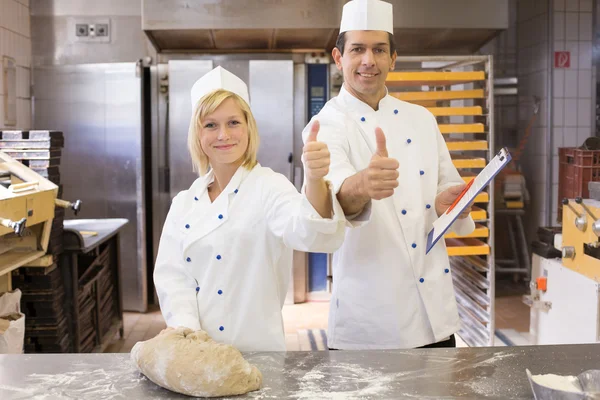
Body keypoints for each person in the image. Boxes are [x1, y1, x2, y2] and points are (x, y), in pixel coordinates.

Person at [302, 0, 476, 350]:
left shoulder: (422, 119)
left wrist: (449, 201)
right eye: (358, 50)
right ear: (339, 58)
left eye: (379, 50)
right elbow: (334, 201)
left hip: (433, 315)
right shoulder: (325, 125)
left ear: (392, 59)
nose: (369, 60)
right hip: (369, 319)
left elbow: (446, 185)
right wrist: (364, 184)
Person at [154, 66, 346, 352]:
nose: (223, 135)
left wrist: (315, 179)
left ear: (248, 127)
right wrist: (190, 334)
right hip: (196, 354)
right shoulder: (184, 203)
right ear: (198, 133)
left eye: (233, 122)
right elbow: (172, 276)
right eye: (211, 125)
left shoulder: (269, 187)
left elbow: (311, 233)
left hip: (259, 357)